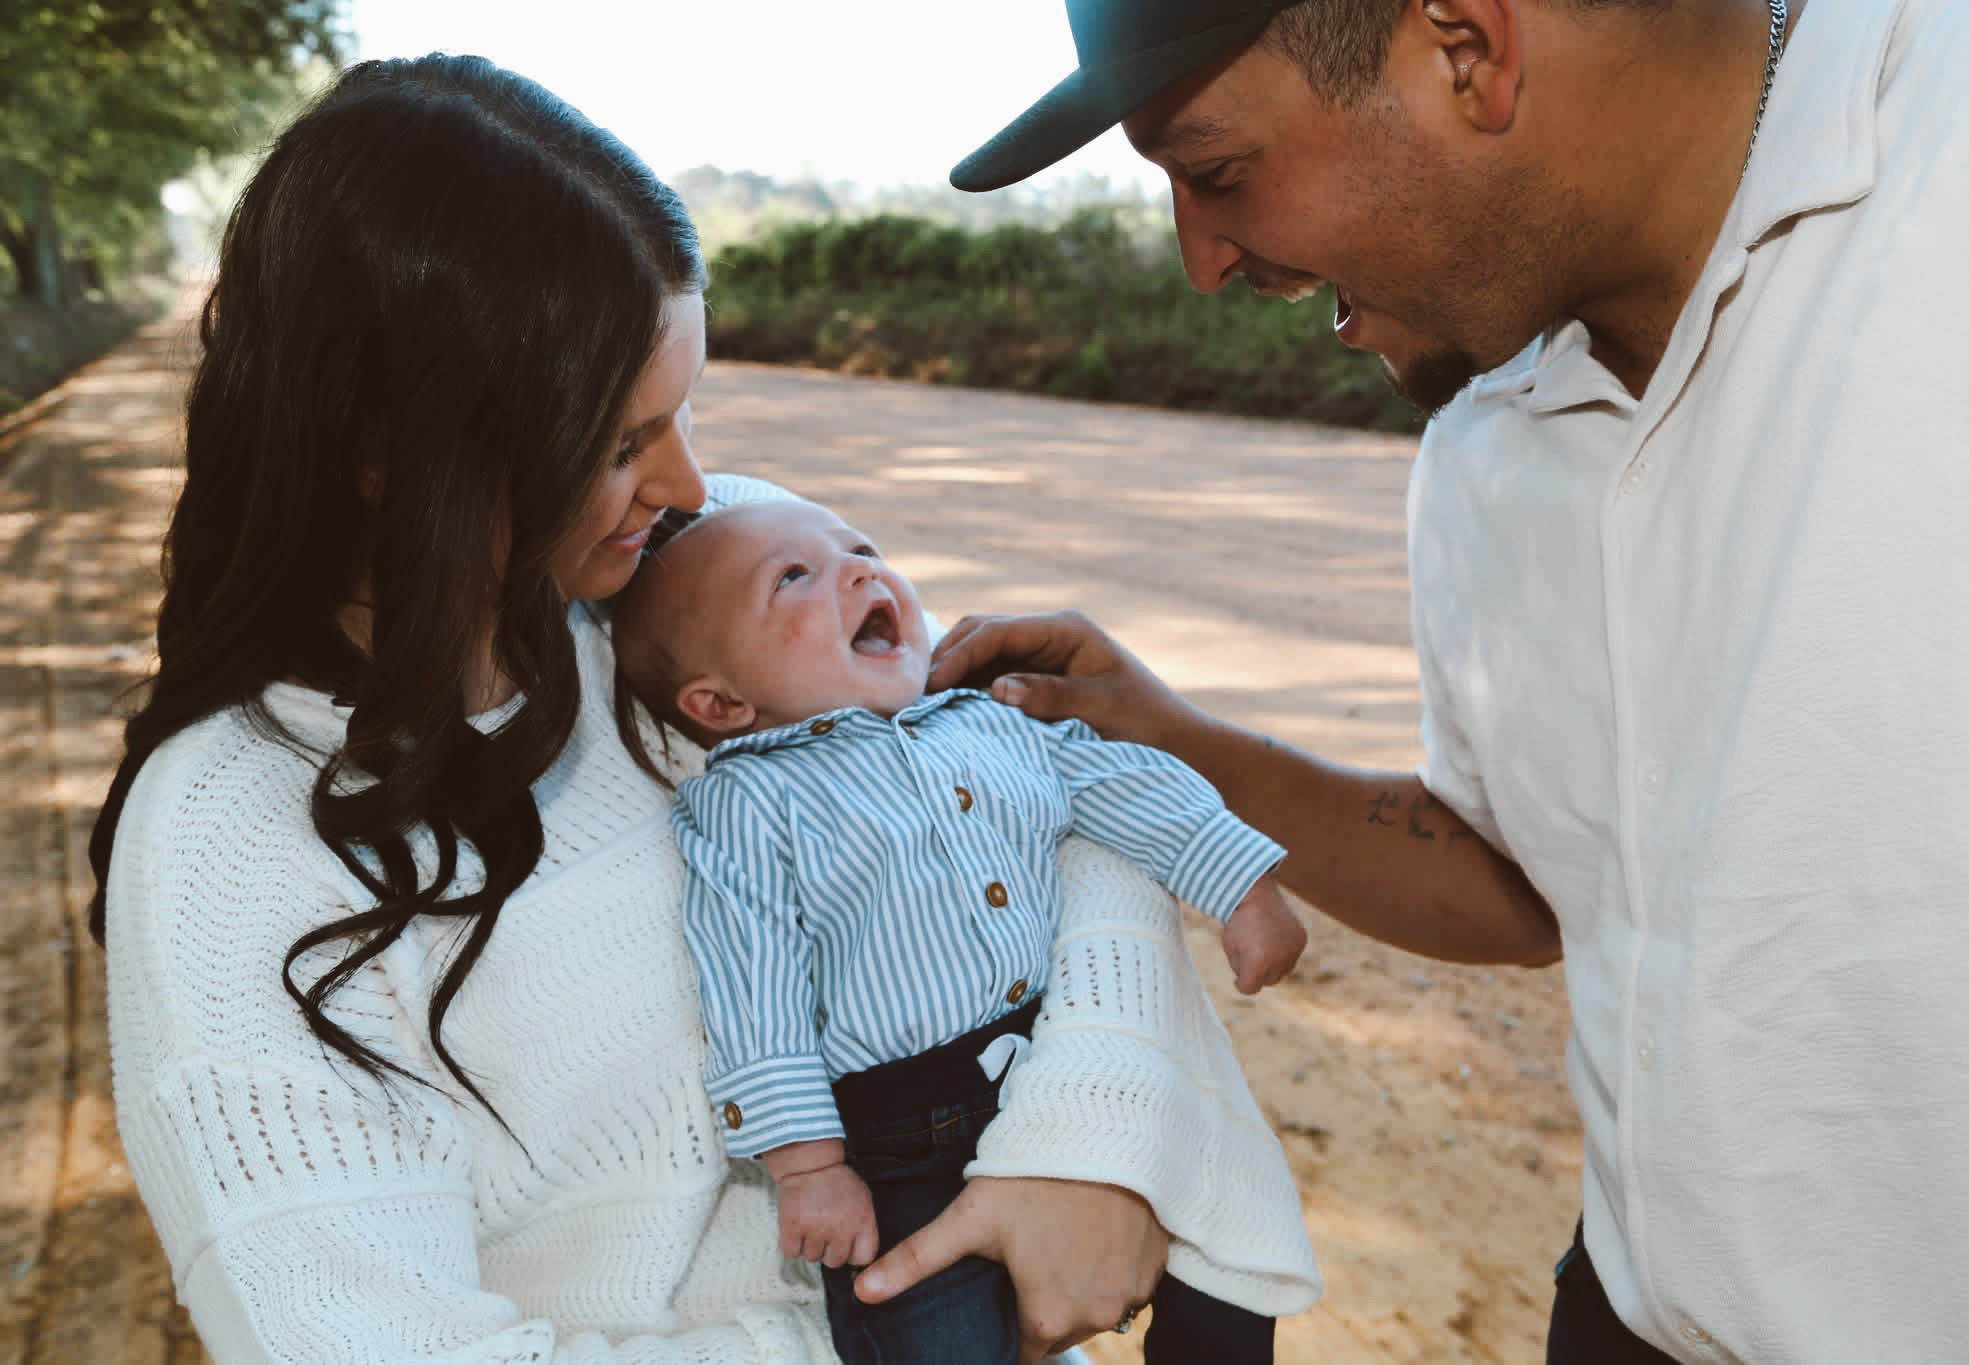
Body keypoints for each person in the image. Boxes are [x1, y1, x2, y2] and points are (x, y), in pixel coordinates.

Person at [87, 53, 1290, 1364]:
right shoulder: (230, 839)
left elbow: (1023, 780)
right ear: (389, 452)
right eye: (617, 444)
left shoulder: (669, 589)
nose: (689, 483)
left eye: (683, 411)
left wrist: (1087, 1134)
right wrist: (892, 1336)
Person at [925, 0, 1969, 1362]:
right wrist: (1177, 746)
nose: (1200, 260)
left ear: (1468, 47)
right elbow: (1534, 877)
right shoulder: (1482, 438)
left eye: (1214, 171)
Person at [608, 494, 1319, 1364]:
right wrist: (808, 1166)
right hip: (907, 1143)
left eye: (862, 549)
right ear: (720, 703)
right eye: (794, 577)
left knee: (1228, 1262)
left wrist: (1242, 883)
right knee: (932, 1332)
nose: (858, 571)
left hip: (1062, 1081)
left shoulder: (987, 721)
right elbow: (754, 984)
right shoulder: (749, 801)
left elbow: (1124, 781)